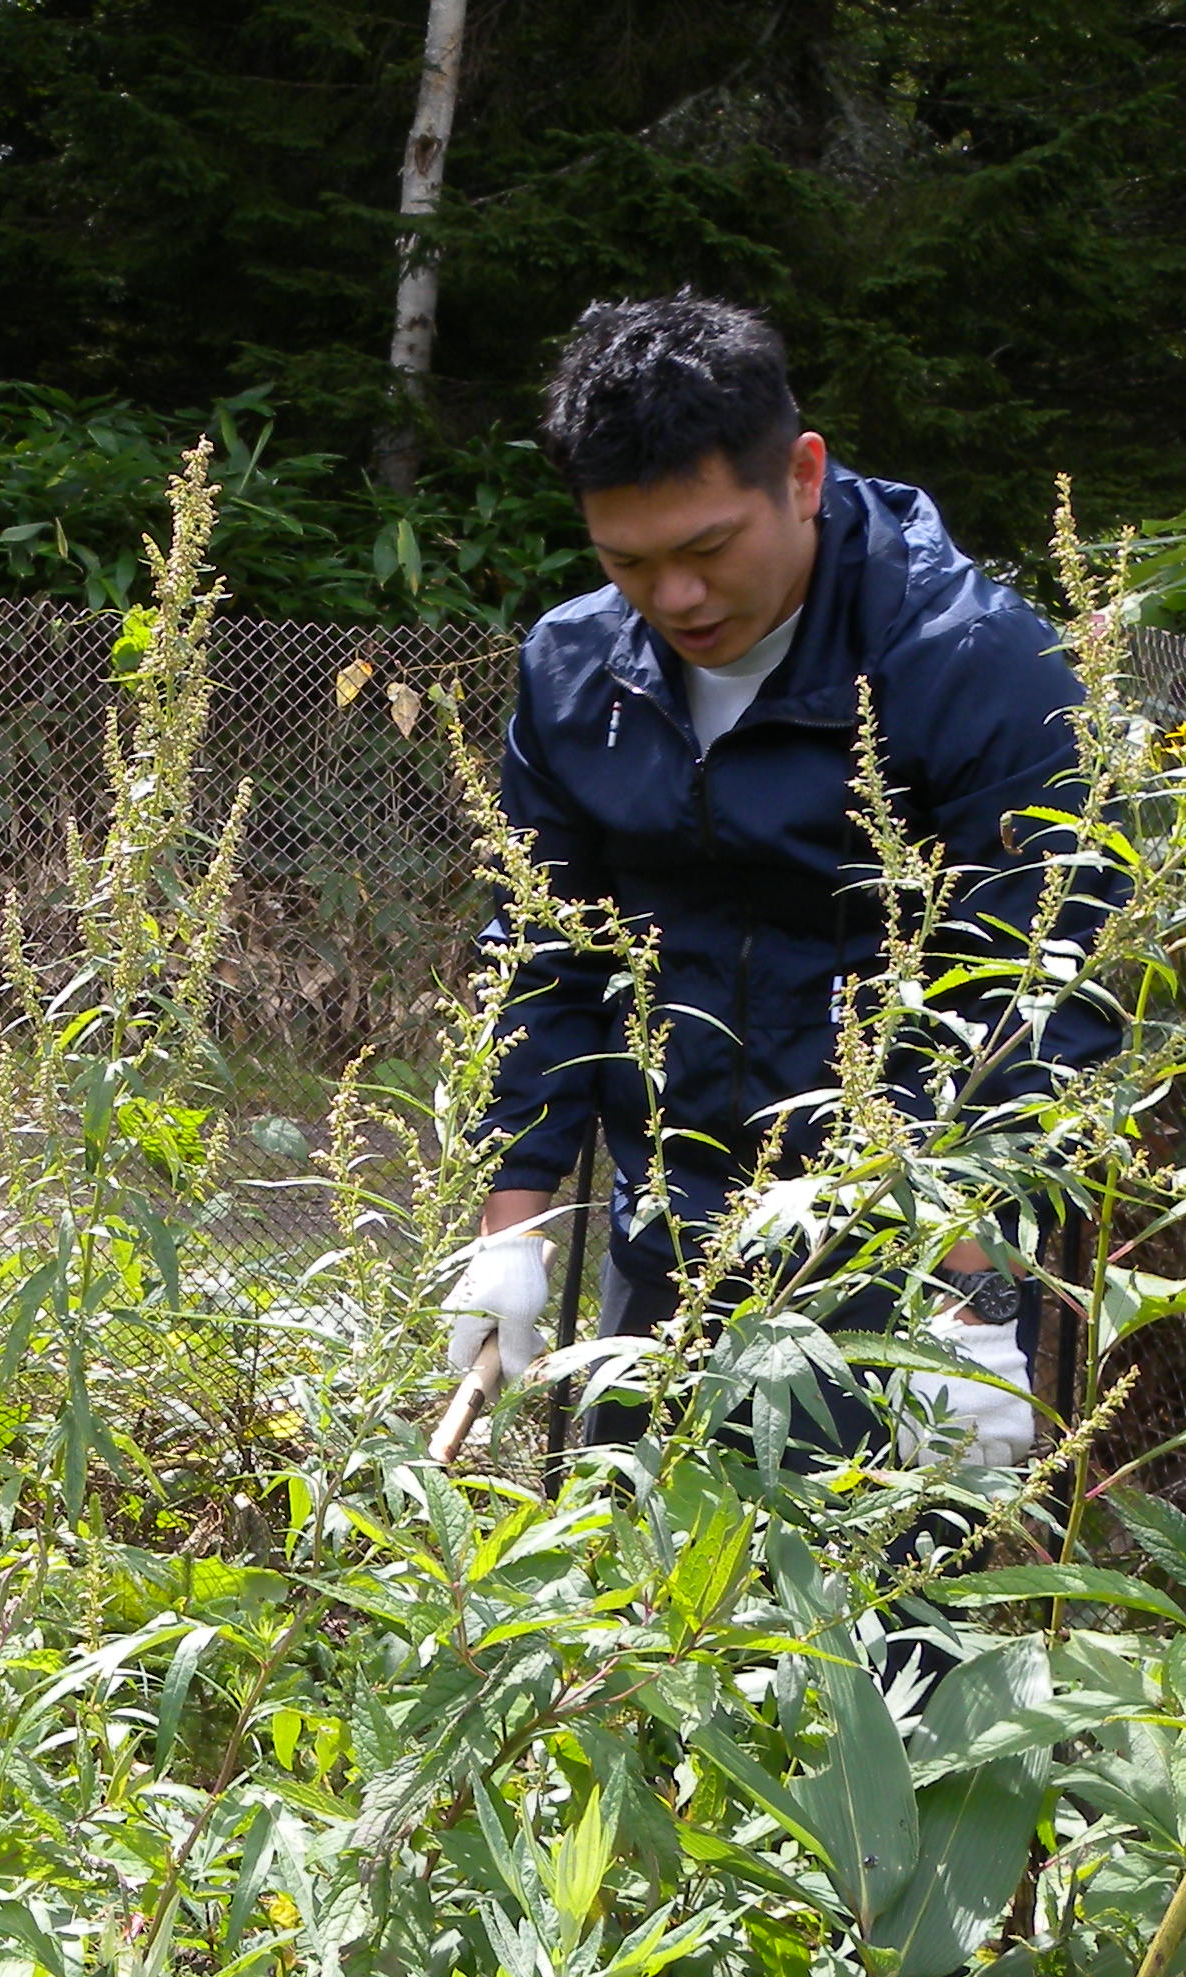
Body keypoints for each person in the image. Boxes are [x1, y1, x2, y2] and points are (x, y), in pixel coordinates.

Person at [444, 294, 1114, 1461]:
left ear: (801, 476)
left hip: (905, 1262)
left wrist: (980, 1316)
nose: (677, 600)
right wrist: (513, 1229)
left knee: (878, 1621)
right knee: (635, 1601)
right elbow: (545, 954)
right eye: (629, 562)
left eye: (707, 550)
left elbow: (1026, 1005)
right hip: (666, 1229)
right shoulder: (575, 673)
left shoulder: (972, 667)